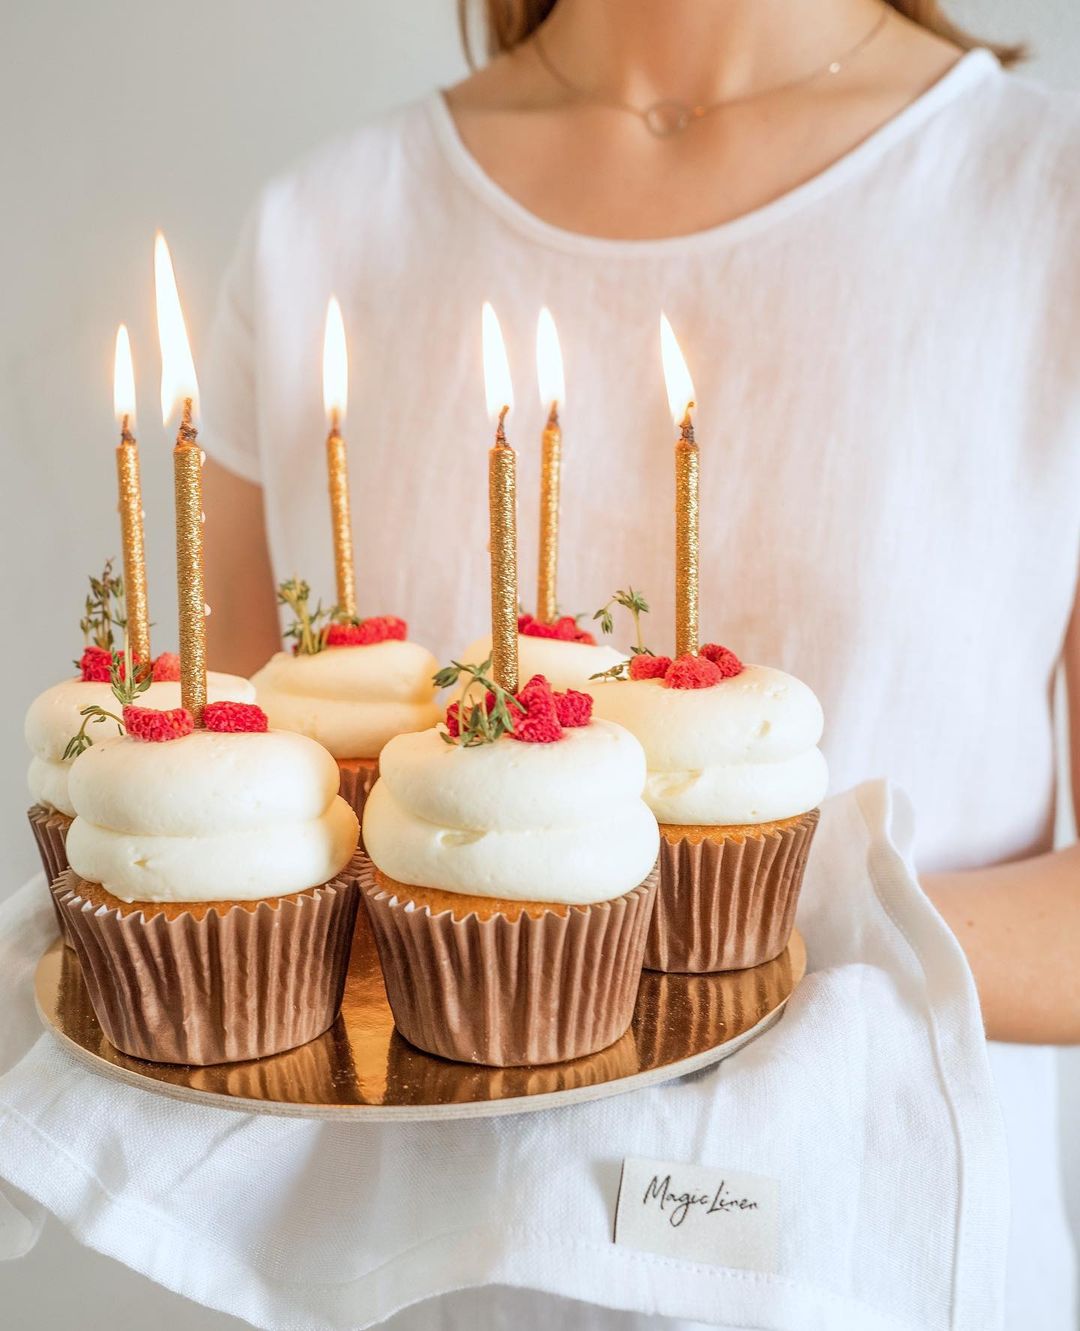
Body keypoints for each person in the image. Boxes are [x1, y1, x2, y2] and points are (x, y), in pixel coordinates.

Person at [200, 1, 1080, 1324]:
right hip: (426, 1289)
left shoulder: (1044, 202)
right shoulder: (319, 228)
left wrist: (739, 917)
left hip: (876, 1276)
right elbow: (235, 857)